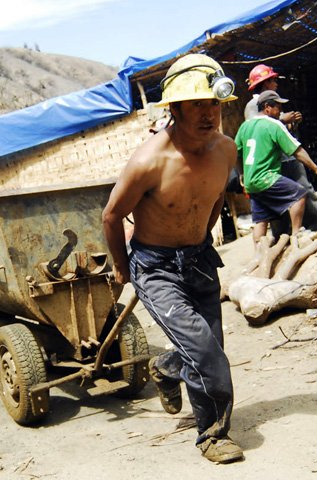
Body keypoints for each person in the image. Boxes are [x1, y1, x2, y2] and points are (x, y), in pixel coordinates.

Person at [102, 53, 244, 464]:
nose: (208, 114)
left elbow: (214, 200)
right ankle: (213, 435)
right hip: (156, 267)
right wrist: (121, 267)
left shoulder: (225, 150)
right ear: (175, 109)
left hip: (199, 259)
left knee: (208, 347)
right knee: (206, 354)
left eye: (213, 103)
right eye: (197, 104)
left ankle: (166, 366)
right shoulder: (150, 161)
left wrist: (202, 237)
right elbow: (111, 215)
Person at [235, 90, 317, 245]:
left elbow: (236, 153)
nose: (280, 111)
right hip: (266, 177)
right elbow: (297, 151)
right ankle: (296, 235)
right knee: (299, 195)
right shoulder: (273, 125)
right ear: (267, 107)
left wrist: (242, 174)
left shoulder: (245, 126)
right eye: (277, 107)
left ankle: (260, 253)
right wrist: (316, 169)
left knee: (261, 221)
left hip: (251, 182)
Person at [244, 64, 317, 232]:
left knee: (302, 192)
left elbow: (276, 130)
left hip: (285, 157)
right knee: (299, 194)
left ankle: (310, 228)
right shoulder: (253, 105)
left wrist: (291, 123)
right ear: (265, 83)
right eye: (274, 80)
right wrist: (283, 119)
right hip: (278, 160)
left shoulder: (271, 100)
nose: (277, 83)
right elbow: (259, 129)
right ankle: (296, 233)